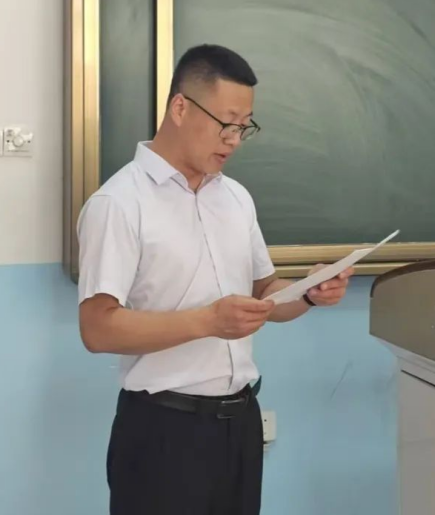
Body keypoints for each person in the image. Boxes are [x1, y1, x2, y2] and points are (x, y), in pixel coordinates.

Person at [76, 44, 353, 515]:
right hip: (163, 432)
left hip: (239, 425)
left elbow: (264, 292)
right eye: (226, 123)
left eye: (244, 127)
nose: (234, 140)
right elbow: (97, 329)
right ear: (180, 107)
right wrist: (208, 321)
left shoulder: (236, 198)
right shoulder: (119, 203)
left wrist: (307, 293)